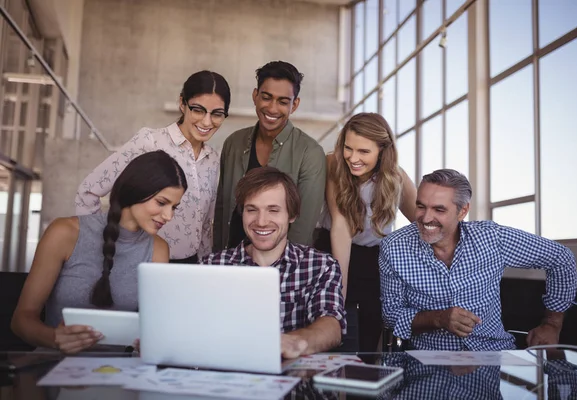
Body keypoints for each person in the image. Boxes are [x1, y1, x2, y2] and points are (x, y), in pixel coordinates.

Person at [380, 169, 577, 351]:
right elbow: (391, 315)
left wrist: (552, 324)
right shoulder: (394, 247)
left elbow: (561, 258)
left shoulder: (492, 238)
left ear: (462, 211)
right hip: (428, 363)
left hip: (492, 355)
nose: (425, 218)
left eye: (439, 210)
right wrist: (438, 318)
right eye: (421, 206)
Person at [12, 151, 187, 353]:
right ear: (136, 190)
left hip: (117, 372)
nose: (168, 216)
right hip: (55, 366)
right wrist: (54, 338)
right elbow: (21, 320)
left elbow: (156, 326)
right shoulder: (64, 233)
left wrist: (150, 341)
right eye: (162, 202)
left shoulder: (158, 249)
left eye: (175, 207)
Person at [75, 70, 230, 263]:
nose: (207, 121)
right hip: (141, 260)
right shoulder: (150, 142)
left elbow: (206, 225)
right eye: (198, 110)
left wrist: (204, 266)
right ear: (182, 103)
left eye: (217, 114)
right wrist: (99, 249)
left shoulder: (214, 159)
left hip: (191, 265)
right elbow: (88, 191)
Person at [203, 166, 345, 358]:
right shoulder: (211, 267)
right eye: (252, 210)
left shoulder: (320, 266)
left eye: (273, 210)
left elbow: (331, 325)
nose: (261, 221)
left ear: (292, 215)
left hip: (295, 383)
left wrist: (296, 342)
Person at [314, 112, 417, 352]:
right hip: (334, 251)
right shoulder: (333, 163)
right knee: (334, 333)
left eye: (364, 152)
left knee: (368, 345)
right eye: (349, 148)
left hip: (374, 261)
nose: (353, 158)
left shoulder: (396, 177)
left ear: (383, 150)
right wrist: (338, 297)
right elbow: (340, 226)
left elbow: (423, 222)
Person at [213, 61, 326, 251]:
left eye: (283, 102)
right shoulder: (233, 143)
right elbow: (222, 209)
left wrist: (285, 273)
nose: (272, 108)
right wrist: (217, 258)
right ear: (255, 96)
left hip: (279, 269)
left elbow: (303, 227)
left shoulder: (310, 153)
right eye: (266, 97)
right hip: (230, 260)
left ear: (295, 105)